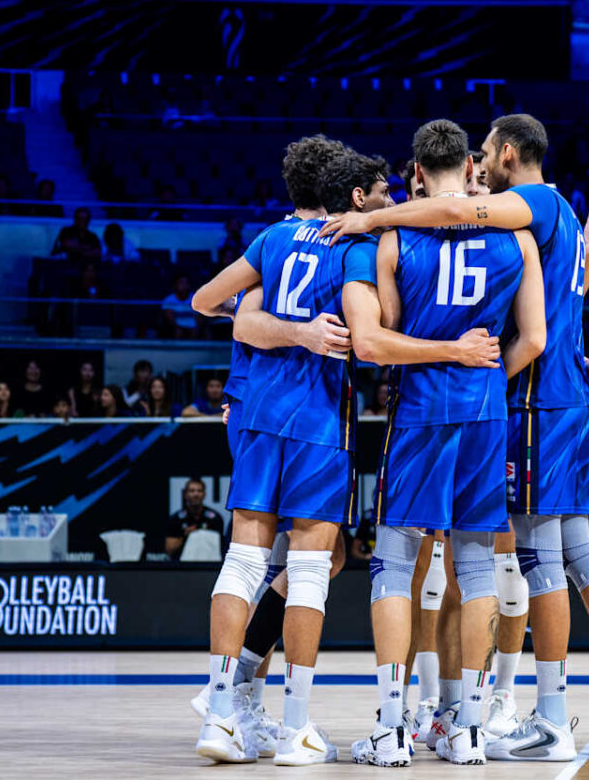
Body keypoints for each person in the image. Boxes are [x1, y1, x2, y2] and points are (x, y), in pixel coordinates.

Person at [321, 112, 589, 761]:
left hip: (485, 404)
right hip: (517, 403)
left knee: (436, 564)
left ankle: (429, 721)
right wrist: (582, 269)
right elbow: (545, 323)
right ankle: (483, 714)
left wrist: (375, 219)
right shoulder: (533, 232)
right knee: (508, 561)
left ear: (497, 157)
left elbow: (384, 330)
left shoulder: (504, 212)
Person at [341, 119, 546, 767]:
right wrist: (481, 377)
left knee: (397, 566)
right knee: (480, 565)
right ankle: (469, 728)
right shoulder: (518, 237)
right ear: (471, 165)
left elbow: (388, 336)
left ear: (419, 174)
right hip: (486, 414)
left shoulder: (396, 236)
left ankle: (394, 728)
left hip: (420, 412)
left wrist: (441, 354)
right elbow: (533, 338)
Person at [187, 143, 394, 766]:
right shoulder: (354, 247)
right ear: (350, 195)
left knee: (248, 560)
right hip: (316, 418)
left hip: (255, 413)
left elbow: (210, 303)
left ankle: (223, 709)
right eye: (382, 192)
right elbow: (369, 339)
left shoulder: (272, 243)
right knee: (310, 568)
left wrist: (271, 318)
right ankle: (295, 724)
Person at [165, 478, 227, 559]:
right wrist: (185, 536)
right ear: (185, 494)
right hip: (182, 566)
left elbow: (221, 548)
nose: (196, 494)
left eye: (199, 491)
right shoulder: (176, 519)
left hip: (210, 564)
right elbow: (169, 549)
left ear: (204, 494)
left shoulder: (215, 518)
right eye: (192, 491)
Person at [161, 275, 200, 339]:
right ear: (175, 285)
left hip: (192, 326)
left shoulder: (195, 298)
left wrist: (197, 327)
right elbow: (169, 317)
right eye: (181, 283)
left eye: (186, 283)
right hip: (176, 326)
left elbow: (199, 316)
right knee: (178, 332)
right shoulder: (169, 299)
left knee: (196, 331)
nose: (184, 285)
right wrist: (177, 327)